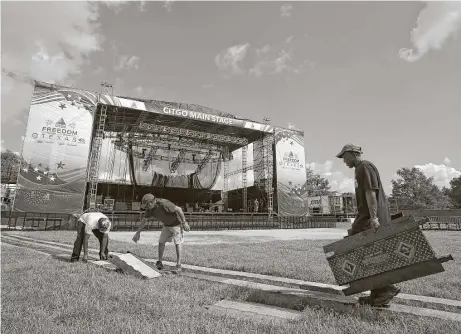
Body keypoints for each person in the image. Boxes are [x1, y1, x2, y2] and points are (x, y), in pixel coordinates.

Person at [336, 143, 400, 307]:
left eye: (345, 157)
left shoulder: (364, 166)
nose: (344, 161)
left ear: (352, 153)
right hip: (366, 216)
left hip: (369, 217)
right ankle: (378, 292)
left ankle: (385, 288)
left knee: (357, 249)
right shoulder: (360, 169)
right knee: (370, 253)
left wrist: (374, 218)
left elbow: (371, 192)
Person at [132, 193, 190, 272]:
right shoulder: (150, 209)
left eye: (147, 205)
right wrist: (137, 233)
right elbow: (144, 221)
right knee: (161, 242)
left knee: (177, 242)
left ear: (151, 202)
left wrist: (184, 222)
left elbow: (179, 209)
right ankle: (159, 262)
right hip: (166, 225)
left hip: (177, 224)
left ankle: (178, 264)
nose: (146, 207)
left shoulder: (164, 204)